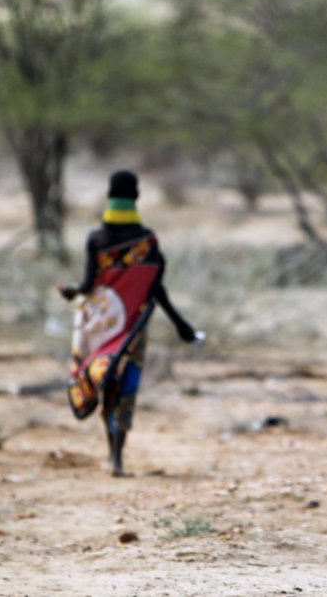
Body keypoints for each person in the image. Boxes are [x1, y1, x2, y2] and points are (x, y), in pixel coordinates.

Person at [59, 170, 198, 476]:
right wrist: (180, 324)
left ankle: (112, 454)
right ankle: (116, 457)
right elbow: (155, 287)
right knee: (126, 388)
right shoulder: (147, 242)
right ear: (136, 197)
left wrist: (72, 292)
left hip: (99, 328)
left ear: (109, 196)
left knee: (105, 380)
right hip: (133, 328)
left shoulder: (96, 239)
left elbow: (87, 284)